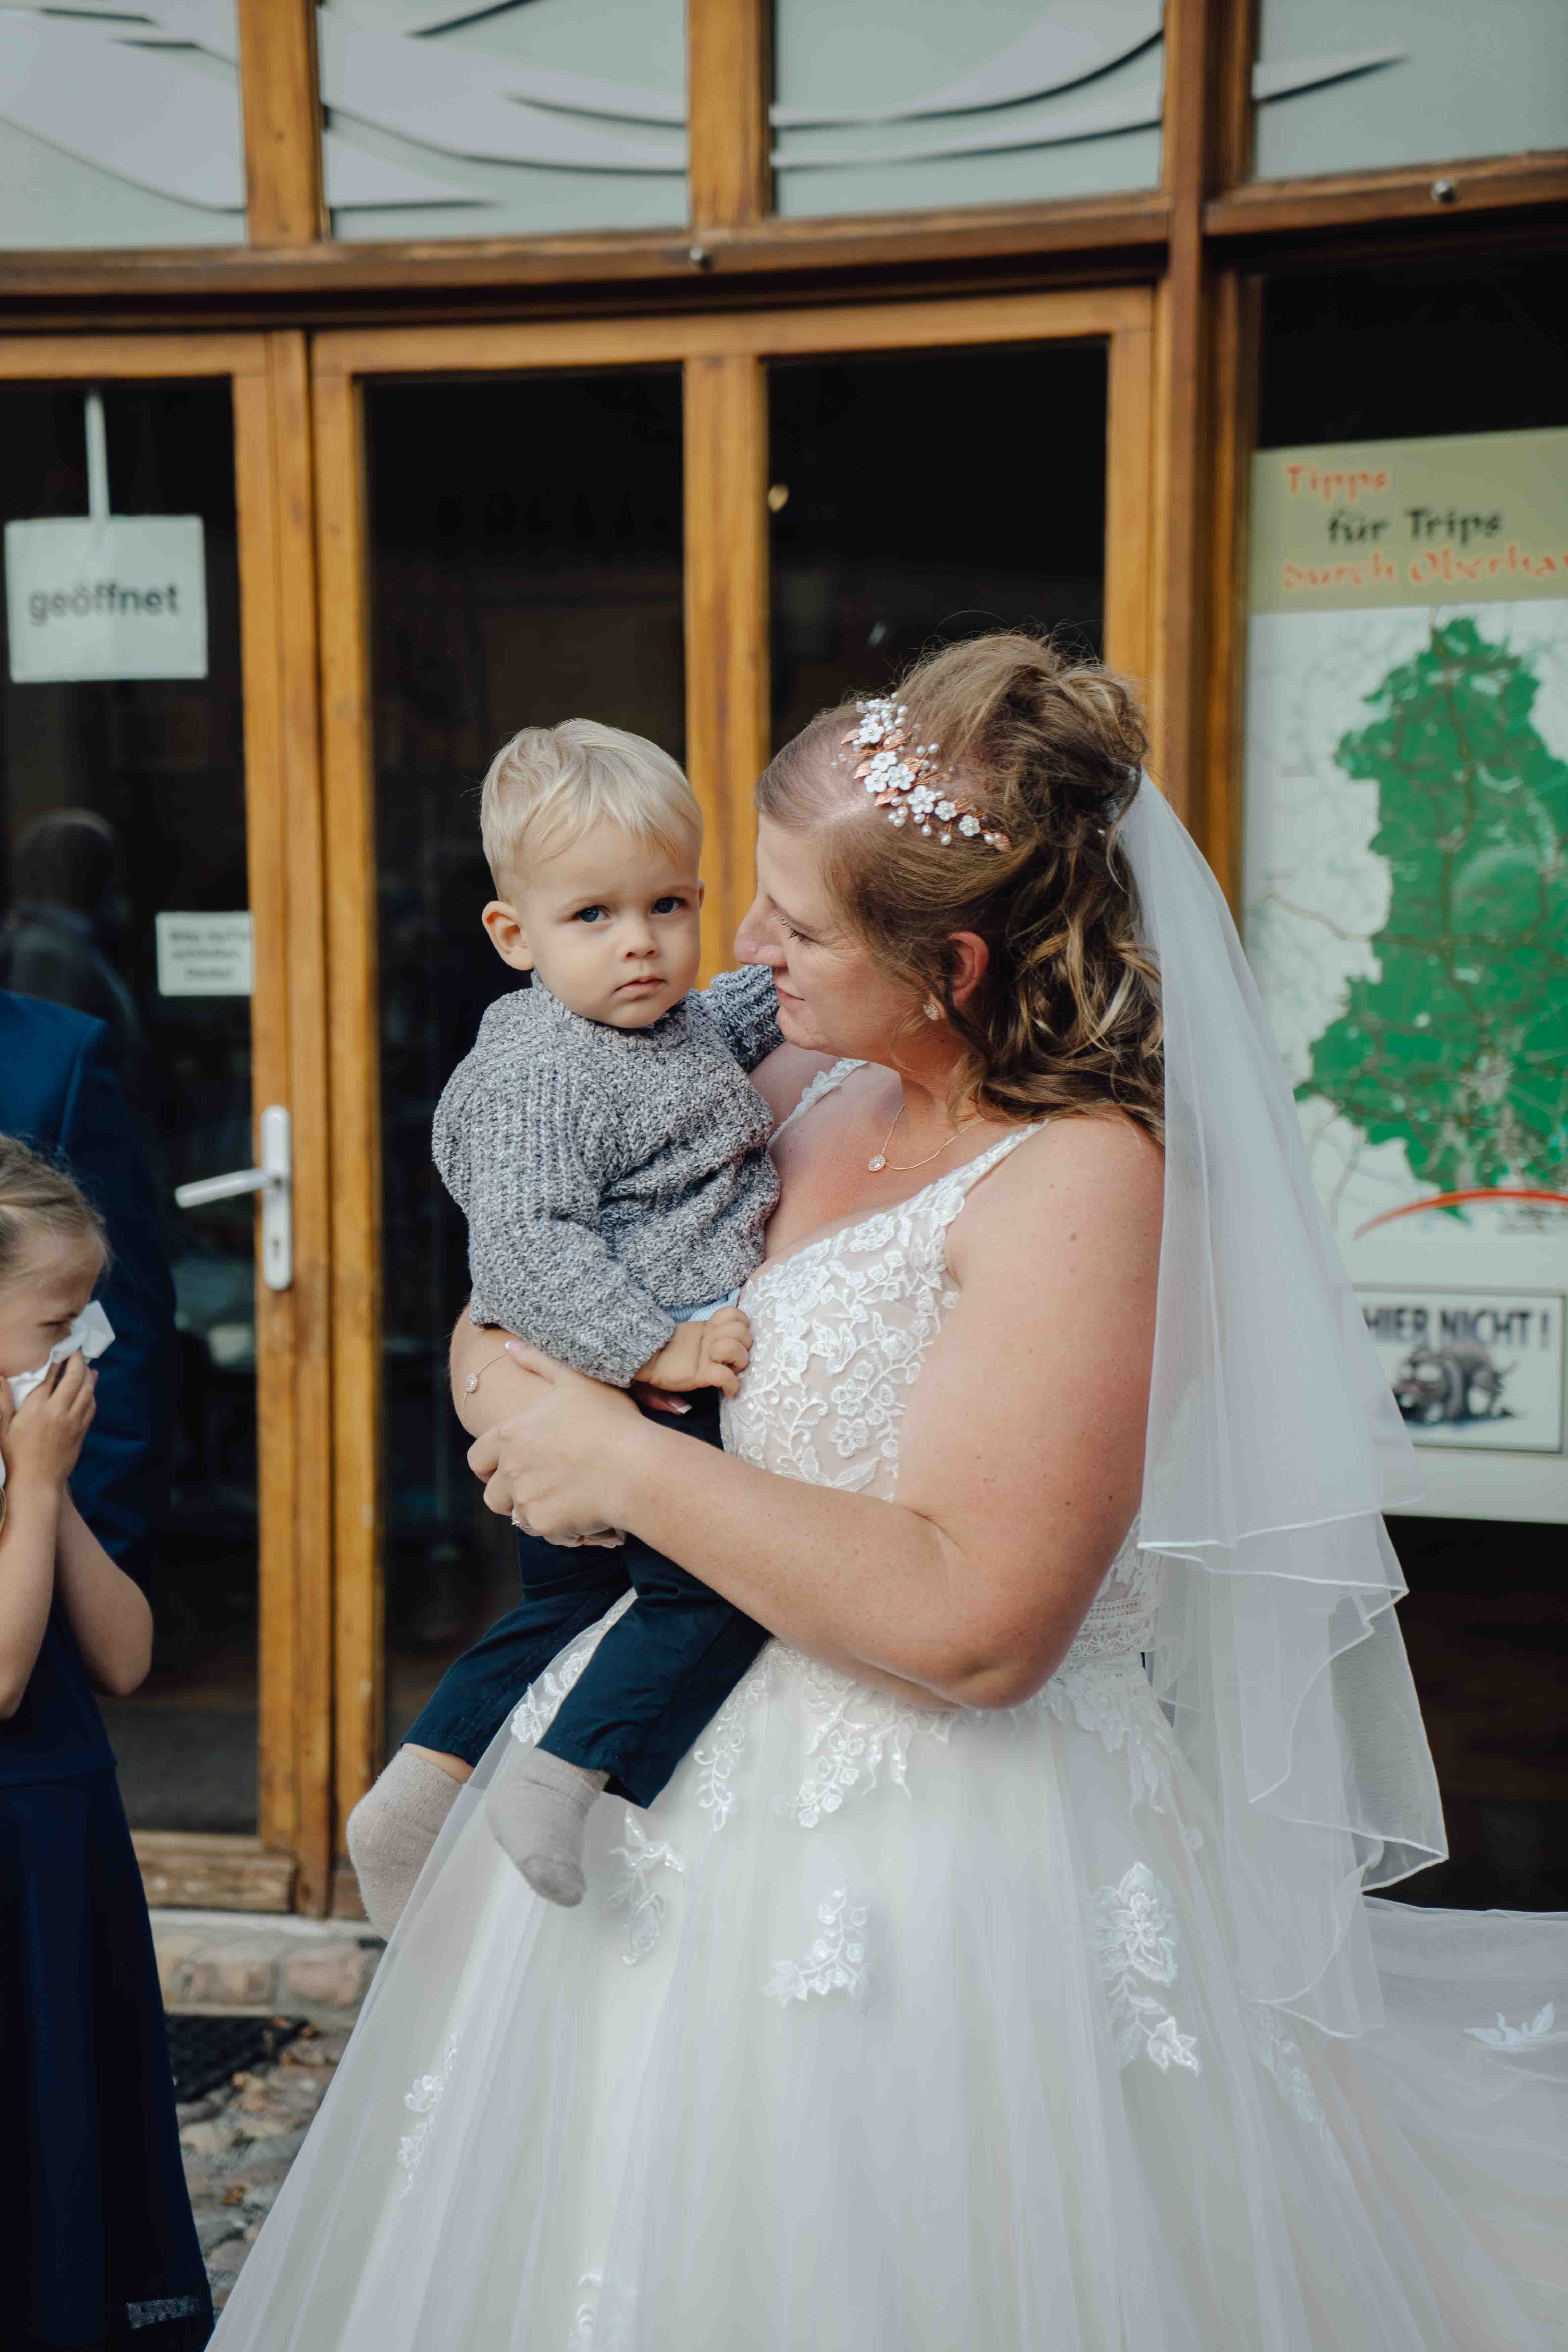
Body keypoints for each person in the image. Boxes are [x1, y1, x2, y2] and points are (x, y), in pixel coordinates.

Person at [211, 635, 1566, 2352]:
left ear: (954, 964)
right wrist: (502, 1384)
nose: (737, 950)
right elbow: (543, 1265)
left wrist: (618, 1456)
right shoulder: (783, 1073)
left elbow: (981, 1623)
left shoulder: (1083, 1186)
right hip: (650, 1788)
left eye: (791, 921)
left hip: (947, 1853)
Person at [350, 720, 779, 1923]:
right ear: (514, 935)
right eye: (593, 917)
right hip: (630, 1372)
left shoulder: (661, 1019)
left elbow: (738, 1021)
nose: (641, 945)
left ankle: (416, 1793)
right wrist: (657, 1350)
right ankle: (565, 1778)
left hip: (629, 1367)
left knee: (561, 1605)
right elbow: (528, 1247)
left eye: (669, 905)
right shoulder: (545, 1071)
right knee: (720, 1586)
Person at [0, 1131, 211, 2352]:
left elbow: (124, 1657)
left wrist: (53, 1490)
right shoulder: (20, 1476)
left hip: (70, 1840)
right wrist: (28, 1493)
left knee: (85, 2123)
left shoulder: (39, 1459)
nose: (84, 1350)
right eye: (54, 1323)